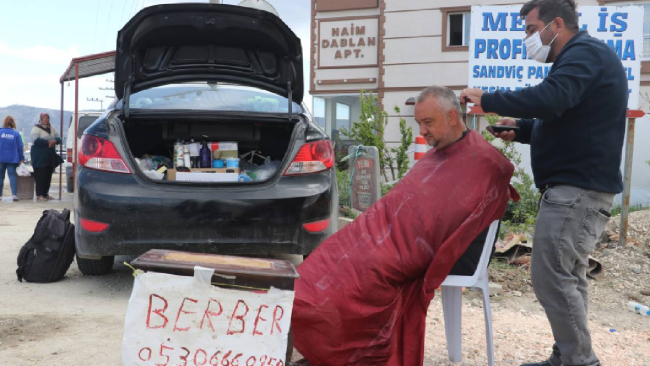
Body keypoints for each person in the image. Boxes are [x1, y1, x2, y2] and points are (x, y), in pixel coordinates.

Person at [290, 86, 517, 366]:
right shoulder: (439, 152)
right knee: (331, 256)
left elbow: (453, 223)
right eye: (419, 123)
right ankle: (327, 346)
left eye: (428, 123)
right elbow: (400, 203)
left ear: (452, 117)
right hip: (384, 233)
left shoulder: (485, 162)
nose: (423, 131)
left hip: (423, 250)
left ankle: (351, 353)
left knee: (361, 275)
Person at [460, 1, 627, 365]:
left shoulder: (584, 54)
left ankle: (580, 361)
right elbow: (564, 120)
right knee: (569, 278)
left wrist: (487, 98)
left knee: (551, 276)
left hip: (578, 189)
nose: (527, 39)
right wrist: (520, 130)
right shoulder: (580, 60)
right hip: (575, 187)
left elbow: (551, 100)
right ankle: (565, 356)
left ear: (556, 24)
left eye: (531, 29)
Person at [30, 113, 63, 201]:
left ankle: (45, 194)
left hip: (49, 157)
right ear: (40, 119)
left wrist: (55, 141)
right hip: (39, 157)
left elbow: (59, 138)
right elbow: (36, 141)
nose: (46, 120)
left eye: (47, 118)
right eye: (44, 118)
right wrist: (48, 142)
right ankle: (39, 195)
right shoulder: (36, 128)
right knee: (40, 176)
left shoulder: (51, 128)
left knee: (48, 175)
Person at [0, 116, 25, 201]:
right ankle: (14, 195)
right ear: (13, 123)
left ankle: (0, 196)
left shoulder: (0, 132)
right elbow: (20, 146)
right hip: (12, 158)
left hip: (1, 158)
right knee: (12, 176)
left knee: (0, 177)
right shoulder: (16, 134)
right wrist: (22, 158)